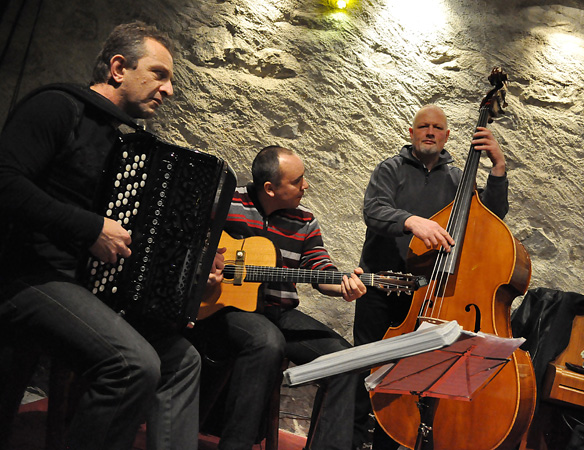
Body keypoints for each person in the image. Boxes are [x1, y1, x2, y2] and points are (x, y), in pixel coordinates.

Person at [0, 21, 215, 450]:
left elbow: (135, 238)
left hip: (78, 285)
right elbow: (5, 182)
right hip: (26, 274)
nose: (169, 89)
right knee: (133, 364)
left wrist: (189, 276)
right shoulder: (59, 106)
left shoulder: (127, 143)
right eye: (160, 74)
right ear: (118, 68)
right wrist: (90, 227)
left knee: (181, 360)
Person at [186, 145, 368, 450]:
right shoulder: (226, 204)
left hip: (280, 312)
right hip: (224, 310)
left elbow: (320, 269)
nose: (305, 186)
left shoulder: (304, 221)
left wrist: (344, 287)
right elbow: (189, 240)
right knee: (267, 341)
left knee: (345, 360)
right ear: (270, 188)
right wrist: (204, 264)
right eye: (297, 181)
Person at [352, 104, 509, 450]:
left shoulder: (457, 179)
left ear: (447, 136)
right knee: (363, 373)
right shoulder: (390, 169)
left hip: (424, 295)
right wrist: (411, 221)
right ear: (411, 133)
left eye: (438, 127)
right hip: (381, 288)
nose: (430, 132)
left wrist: (497, 167)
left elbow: (490, 219)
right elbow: (374, 210)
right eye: (423, 126)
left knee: (405, 381)